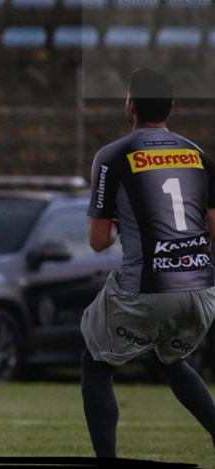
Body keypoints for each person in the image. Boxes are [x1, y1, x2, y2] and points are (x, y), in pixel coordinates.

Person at [81, 68, 215, 458]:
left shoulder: (112, 156)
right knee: (168, 358)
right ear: (172, 106)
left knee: (95, 362)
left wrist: (122, 227)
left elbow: (97, 241)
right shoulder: (199, 156)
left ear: (130, 105)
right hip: (201, 290)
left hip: (147, 290)